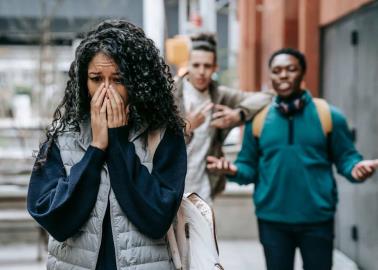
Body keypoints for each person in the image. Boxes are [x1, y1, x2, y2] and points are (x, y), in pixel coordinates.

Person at [27, 20, 187, 270]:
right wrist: (96, 149)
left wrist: (119, 143)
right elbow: (52, 217)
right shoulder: (63, 135)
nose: (106, 90)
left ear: (138, 82)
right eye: (96, 79)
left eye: (118, 79)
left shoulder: (164, 134)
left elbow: (157, 218)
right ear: (83, 81)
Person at [206, 48, 378, 270]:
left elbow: (346, 157)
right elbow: (248, 166)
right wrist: (232, 170)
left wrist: (355, 168)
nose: (283, 75)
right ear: (271, 77)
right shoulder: (258, 120)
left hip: (317, 220)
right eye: (277, 71)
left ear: (302, 73)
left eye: (291, 69)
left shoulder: (328, 115)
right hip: (272, 220)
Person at [174, 32, 273, 202]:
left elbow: (269, 96)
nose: (201, 72)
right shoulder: (171, 94)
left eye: (207, 66)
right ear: (187, 65)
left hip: (204, 189)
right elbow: (154, 142)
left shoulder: (220, 95)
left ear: (215, 68)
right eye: (196, 65)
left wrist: (238, 114)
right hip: (170, 187)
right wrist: (186, 126)